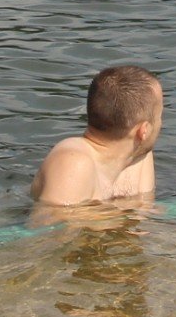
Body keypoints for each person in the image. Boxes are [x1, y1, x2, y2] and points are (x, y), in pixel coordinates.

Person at [31, 66, 162, 215]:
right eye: (159, 117)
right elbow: (47, 232)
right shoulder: (73, 162)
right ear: (143, 130)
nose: (161, 124)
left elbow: (142, 223)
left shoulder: (139, 156)